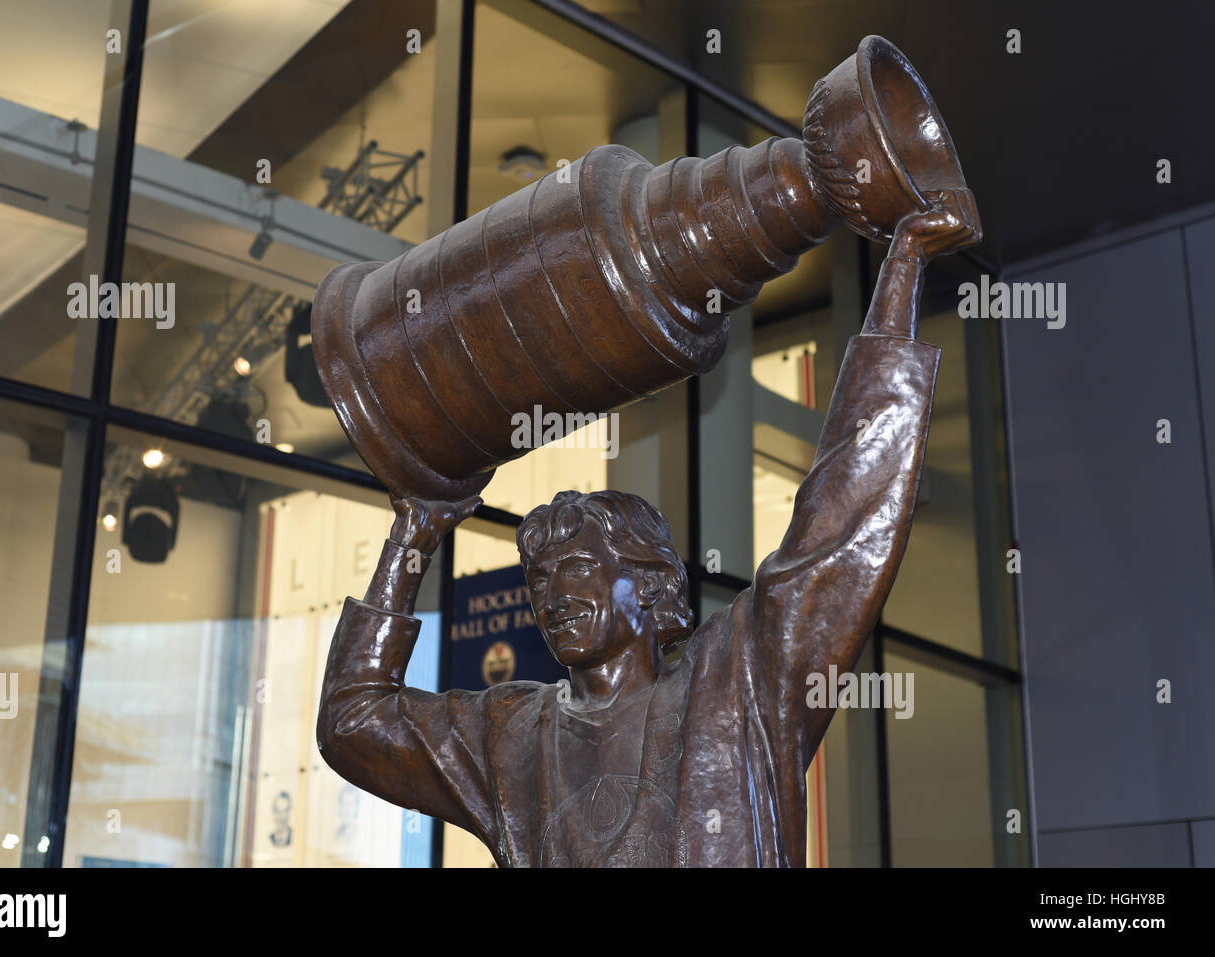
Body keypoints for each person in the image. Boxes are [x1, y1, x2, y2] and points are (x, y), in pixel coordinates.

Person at [317, 188, 981, 867]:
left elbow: (844, 519)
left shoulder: (737, 681)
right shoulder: (510, 735)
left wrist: (903, 259)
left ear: (653, 581)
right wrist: (414, 534)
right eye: (539, 577)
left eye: (577, 566)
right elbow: (352, 722)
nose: (551, 593)